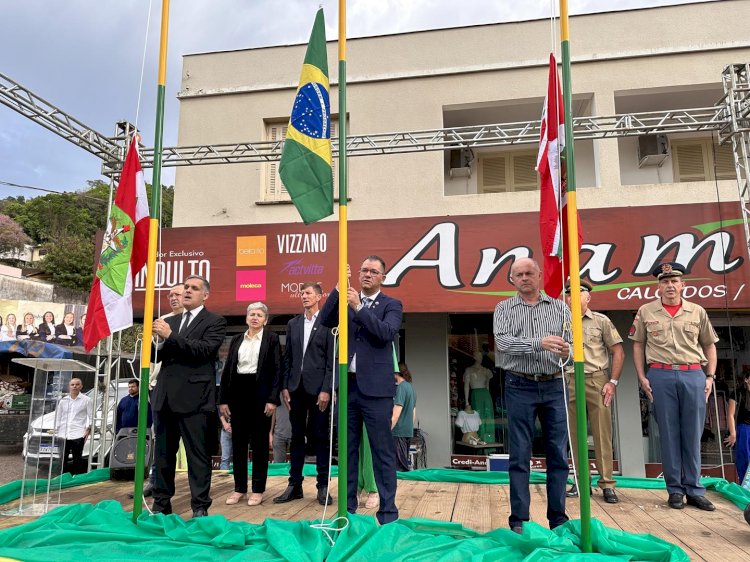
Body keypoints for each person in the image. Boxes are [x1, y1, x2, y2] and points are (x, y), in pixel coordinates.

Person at [320, 256, 403, 524]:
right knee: (347, 449)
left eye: (373, 271)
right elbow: (324, 320)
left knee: (382, 450)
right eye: (363, 270)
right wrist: (337, 288)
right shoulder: (345, 300)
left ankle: (388, 512)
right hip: (348, 386)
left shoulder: (391, 304)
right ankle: (348, 510)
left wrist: (358, 306)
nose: (367, 274)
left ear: (383, 277)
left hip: (377, 390)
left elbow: (385, 334)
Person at [630, 261, 718, 512]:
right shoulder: (646, 311)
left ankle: (695, 488)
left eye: (674, 281)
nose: (670, 285)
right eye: (665, 282)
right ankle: (675, 491)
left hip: (693, 374)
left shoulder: (697, 311)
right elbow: (637, 344)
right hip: (660, 374)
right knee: (668, 434)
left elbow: (709, 345)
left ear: (682, 285)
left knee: (692, 433)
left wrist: (709, 376)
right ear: (658, 286)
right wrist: (642, 376)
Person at [493, 257, 571, 533]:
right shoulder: (503, 308)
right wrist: (538, 343)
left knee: (558, 454)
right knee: (519, 453)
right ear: (512, 280)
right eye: (518, 274)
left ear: (539, 275)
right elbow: (502, 343)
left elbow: (573, 349)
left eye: (529, 273)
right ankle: (519, 519)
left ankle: (558, 518)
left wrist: (566, 352)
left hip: (554, 384)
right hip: (519, 384)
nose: (524, 277)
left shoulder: (561, 308)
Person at [150, 275, 227, 518]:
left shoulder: (215, 321)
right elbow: (155, 357)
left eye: (194, 288)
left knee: (197, 457)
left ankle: (200, 506)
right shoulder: (169, 321)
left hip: (195, 399)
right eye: (185, 287)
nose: (187, 291)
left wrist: (170, 336)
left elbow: (203, 351)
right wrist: (158, 342)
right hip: (165, 398)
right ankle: (161, 504)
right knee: (162, 456)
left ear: (205, 295)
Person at [563, 280, 624, 504]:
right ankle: (580, 482)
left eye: (579, 293)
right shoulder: (560, 322)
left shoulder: (601, 321)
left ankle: (607, 483)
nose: (573, 297)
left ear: (588, 298)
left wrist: (613, 381)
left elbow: (618, 351)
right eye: (568, 294)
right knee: (575, 434)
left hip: (597, 379)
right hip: (569, 379)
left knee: (601, 434)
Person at [275, 282, 335, 506]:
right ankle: (294, 485)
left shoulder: (329, 323)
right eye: (302, 293)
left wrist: (327, 389)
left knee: (321, 437)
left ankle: (322, 486)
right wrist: (284, 386)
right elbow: (288, 357)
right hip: (295, 388)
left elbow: (331, 361)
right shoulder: (293, 323)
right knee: (296, 437)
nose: (304, 296)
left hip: (319, 390)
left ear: (319, 296)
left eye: (309, 293)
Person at [219, 302, 281, 507]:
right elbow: (228, 370)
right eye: (252, 314)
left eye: (259, 315)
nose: (255, 318)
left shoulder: (271, 339)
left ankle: (257, 489)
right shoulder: (237, 339)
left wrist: (272, 399)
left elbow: (276, 370)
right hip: (238, 393)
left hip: (261, 394)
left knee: (260, 444)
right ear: (246, 318)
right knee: (238, 443)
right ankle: (239, 488)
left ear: (265, 320)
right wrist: (223, 399)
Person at [55, 378, 93, 475]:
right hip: (63, 433)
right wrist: (56, 430)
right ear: (69, 386)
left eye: (77, 384)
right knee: (63, 458)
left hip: (78, 433)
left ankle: (76, 477)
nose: (74, 386)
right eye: (72, 384)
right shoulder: (63, 401)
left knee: (77, 458)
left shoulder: (87, 400)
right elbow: (58, 416)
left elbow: (91, 416)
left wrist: (88, 429)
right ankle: (62, 478)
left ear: (81, 386)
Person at [464, 352, 495, 444]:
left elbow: (487, 386)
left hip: (485, 394)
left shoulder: (486, 371)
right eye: (478, 356)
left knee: (488, 415)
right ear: (474, 357)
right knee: (478, 415)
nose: (480, 358)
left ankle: (489, 439)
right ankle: (479, 438)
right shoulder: (469, 370)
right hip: (475, 393)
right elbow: (466, 386)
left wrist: (489, 397)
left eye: (481, 356)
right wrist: (466, 401)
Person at [392, 362, 416, 472]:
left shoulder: (401, 388)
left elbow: (396, 412)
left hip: (398, 431)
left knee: (399, 467)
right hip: (408, 430)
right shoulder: (411, 387)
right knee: (404, 463)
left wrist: (389, 429)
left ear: (396, 373)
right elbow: (414, 412)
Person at [726, 373, 750, 484]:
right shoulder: (737, 393)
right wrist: (733, 433)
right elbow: (730, 415)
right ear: (746, 379)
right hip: (743, 429)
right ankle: (744, 486)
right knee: (744, 459)